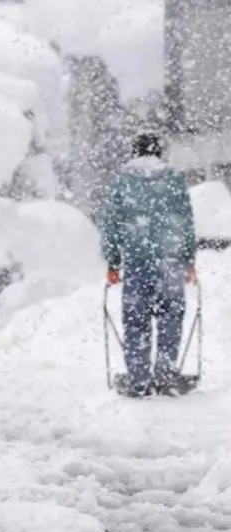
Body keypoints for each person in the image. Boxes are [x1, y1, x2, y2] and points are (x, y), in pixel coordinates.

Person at [101, 132, 198, 398]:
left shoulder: (123, 183)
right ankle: (166, 376)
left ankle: (139, 379)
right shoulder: (174, 180)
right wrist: (189, 260)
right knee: (170, 318)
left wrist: (113, 261)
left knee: (136, 320)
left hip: (137, 261)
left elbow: (112, 224)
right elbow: (185, 222)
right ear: (159, 152)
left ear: (135, 152)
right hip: (170, 261)